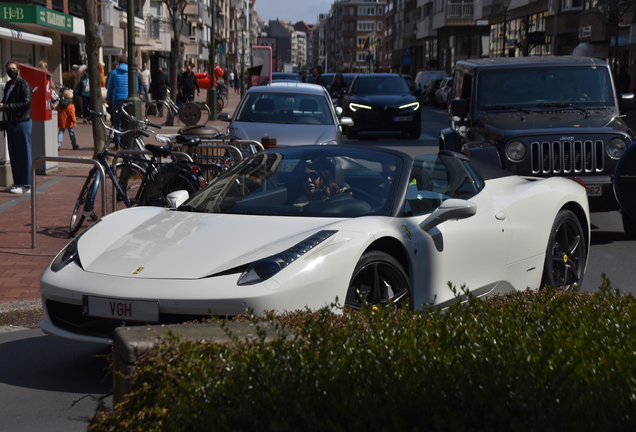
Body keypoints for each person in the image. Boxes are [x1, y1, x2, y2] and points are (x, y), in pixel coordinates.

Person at [1, 61, 33, 194]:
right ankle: (18, 182)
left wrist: (5, 107)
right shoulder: (8, 85)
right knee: (14, 153)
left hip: (22, 122)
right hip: (11, 123)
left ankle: (26, 184)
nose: (11, 71)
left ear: (19, 70)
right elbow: (7, 101)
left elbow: (25, 103)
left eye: (14, 69)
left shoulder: (24, 84)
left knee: (23, 153)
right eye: (9, 69)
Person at [106, 56, 131, 149]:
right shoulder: (131, 73)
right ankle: (127, 141)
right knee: (128, 121)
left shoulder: (114, 73)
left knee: (117, 122)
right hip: (128, 99)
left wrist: (109, 100)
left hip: (117, 99)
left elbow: (110, 87)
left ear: (119, 63)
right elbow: (136, 86)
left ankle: (117, 143)